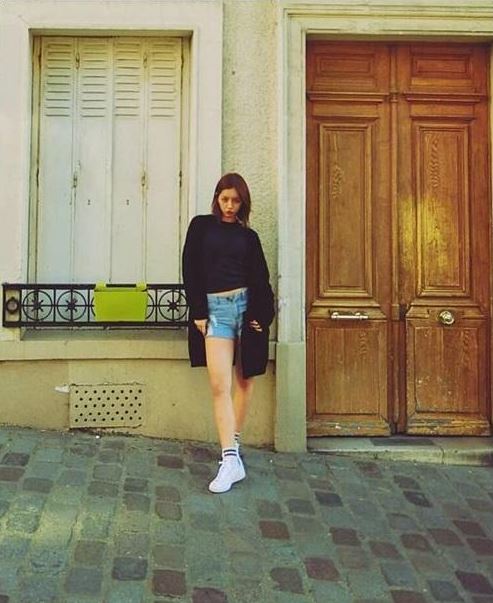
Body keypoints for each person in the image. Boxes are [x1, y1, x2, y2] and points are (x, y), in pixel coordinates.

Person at [182, 172, 275, 493]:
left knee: (245, 380)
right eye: (225, 199)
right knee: (219, 385)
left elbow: (261, 279)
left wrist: (262, 316)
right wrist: (198, 311)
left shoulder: (249, 237)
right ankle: (230, 459)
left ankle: (232, 447)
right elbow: (190, 268)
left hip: (245, 309)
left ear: (243, 203)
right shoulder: (201, 227)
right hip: (216, 312)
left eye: (236, 201)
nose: (230, 206)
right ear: (216, 198)